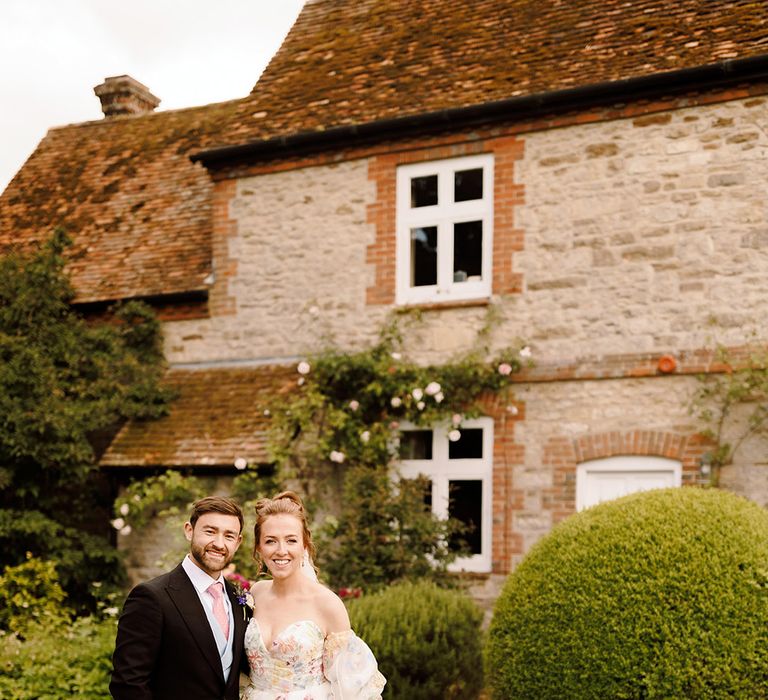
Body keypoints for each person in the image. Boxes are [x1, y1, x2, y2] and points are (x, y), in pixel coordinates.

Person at [241, 491, 386, 699]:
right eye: (271, 541)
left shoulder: (327, 604)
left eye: (291, 540)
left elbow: (351, 687)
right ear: (258, 547)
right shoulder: (256, 593)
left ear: (304, 545)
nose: (281, 550)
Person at [110, 496, 249, 700]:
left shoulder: (239, 599)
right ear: (189, 530)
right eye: (210, 531)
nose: (219, 543)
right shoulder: (151, 597)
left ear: (237, 542)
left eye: (229, 535)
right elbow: (128, 685)